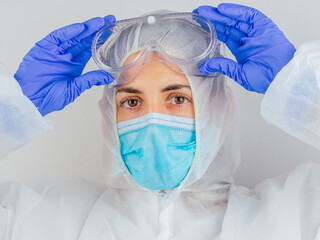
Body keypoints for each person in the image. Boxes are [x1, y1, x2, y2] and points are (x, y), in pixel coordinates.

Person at [0, 3, 319, 240]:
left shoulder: (291, 215)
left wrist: (300, 87)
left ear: (218, 108)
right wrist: (12, 112)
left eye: (178, 98)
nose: (153, 120)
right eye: (132, 101)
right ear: (110, 117)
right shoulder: (37, 218)